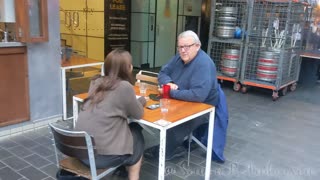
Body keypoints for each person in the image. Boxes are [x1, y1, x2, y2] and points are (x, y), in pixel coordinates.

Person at [144, 30, 228, 163]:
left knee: (175, 121)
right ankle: (170, 144)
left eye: (187, 47)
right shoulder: (179, 57)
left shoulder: (204, 64)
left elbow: (198, 96)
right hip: (182, 97)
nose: (183, 50)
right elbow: (163, 72)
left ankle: (167, 150)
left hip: (203, 105)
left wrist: (171, 92)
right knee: (157, 113)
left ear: (197, 46)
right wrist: (169, 83)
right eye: (180, 47)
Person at [75, 49, 146, 180]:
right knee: (137, 134)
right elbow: (138, 114)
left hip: (80, 152)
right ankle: (132, 176)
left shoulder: (95, 82)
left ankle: (123, 168)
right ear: (129, 68)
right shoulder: (124, 87)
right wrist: (142, 100)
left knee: (126, 130)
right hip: (100, 158)